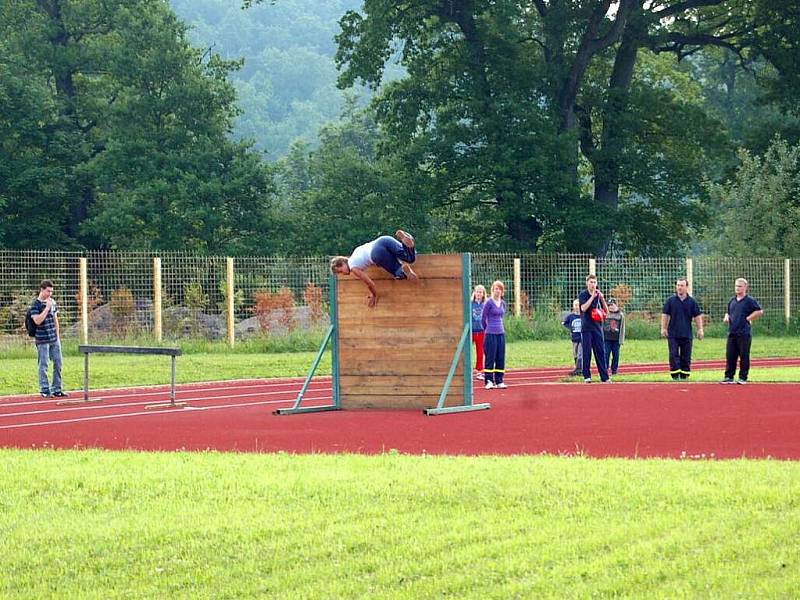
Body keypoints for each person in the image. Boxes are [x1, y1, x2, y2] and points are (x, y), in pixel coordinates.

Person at [329, 230, 417, 307]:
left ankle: (402, 270)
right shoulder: (356, 251)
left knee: (398, 273)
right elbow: (367, 257)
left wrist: (374, 294)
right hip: (384, 240)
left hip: (376, 253)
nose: (343, 274)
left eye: (340, 271)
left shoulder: (353, 267)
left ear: (342, 264)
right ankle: (407, 239)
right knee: (410, 257)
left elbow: (370, 283)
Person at [30, 280, 68, 398]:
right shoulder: (35, 305)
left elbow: (55, 318)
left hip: (54, 338)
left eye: (51, 291)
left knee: (58, 362)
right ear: (42, 290)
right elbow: (37, 320)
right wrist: (46, 308)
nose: (50, 294)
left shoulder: (52, 302)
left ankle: (57, 388)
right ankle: (45, 389)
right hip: (42, 339)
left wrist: (57, 335)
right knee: (44, 364)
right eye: (48, 291)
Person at [721, 278, 764, 384]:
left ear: (745, 287)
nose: (737, 288)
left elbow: (759, 311)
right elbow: (728, 312)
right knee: (730, 355)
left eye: (740, 286)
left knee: (744, 355)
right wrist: (726, 317)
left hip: (744, 333)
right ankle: (729, 376)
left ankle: (743, 377)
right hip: (732, 332)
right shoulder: (732, 301)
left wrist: (748, 318)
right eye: (736, 286)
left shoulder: (749, 301)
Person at [661, 278, 704, 380]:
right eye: (678, 285)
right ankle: (675, 375)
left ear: (686, 287)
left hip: (686, 333)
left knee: (686, 355)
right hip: (673, 334)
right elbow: (665, 315)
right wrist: (663, 328)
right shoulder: (670, 301)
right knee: (673, 354)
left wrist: (700, 329)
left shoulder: (692, 302)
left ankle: (685, 375)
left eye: (682, 286)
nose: (679, 288)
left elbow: (697, 316)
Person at [578, 274, 610, 383]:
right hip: (587, 327)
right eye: (591, 282)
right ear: (587, 283)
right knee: (587, 352)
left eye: (594, 282)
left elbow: (607, 312)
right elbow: (583, 308)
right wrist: (592, 297)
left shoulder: (598, 295)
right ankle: (587, 376)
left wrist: (602, 298)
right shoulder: (583, 294)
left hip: (597, 327)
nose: (593, 285)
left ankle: (604, 377)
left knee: (600, 352)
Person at [481, 280, 507, 389]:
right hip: (490, 333)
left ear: (502, 291)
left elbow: (502, 317)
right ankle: (489, 381)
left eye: (500, 289)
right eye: (496, 288)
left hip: (500, 333)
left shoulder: (503, 303)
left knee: (500, 357)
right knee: (490, 357)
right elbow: (483, 318)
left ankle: (499, 380)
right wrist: (487, 329)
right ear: (492, 290)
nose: (498, 291)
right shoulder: (488, 303)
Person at [603, 298, 625, 376]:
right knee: (606, 354)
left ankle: (614, 370)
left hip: (616, 340)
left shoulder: (620, 315)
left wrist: (621, 340)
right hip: (606, 339)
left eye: (612, 305)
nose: (610, 307)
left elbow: (622, 328)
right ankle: (605, 369)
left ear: (616, 305)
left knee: (616, 355)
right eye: (609, 305)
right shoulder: (605, 314)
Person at [562, 299, 582, 376]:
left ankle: (579, 369)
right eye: (575, 305)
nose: (577, 307)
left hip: (582, 338)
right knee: (575, 354)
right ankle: (577, 367)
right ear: (573, 306)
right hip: (574, 338)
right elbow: (565, 323)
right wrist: (570, 327)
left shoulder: (583, 316)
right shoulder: (571, 316)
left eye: (578, 305)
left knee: (580, 353)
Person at [471, 285, 487, 380]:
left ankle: (479, 371)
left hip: (481, 332)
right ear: (474, 292)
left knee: (480, 352)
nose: (479, 294)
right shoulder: (470, 303)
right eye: (477, 292)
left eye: (481, 292)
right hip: (471, 331)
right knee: (468, 352)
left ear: (483, 294)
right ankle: (467, 371)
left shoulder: (485, 304)